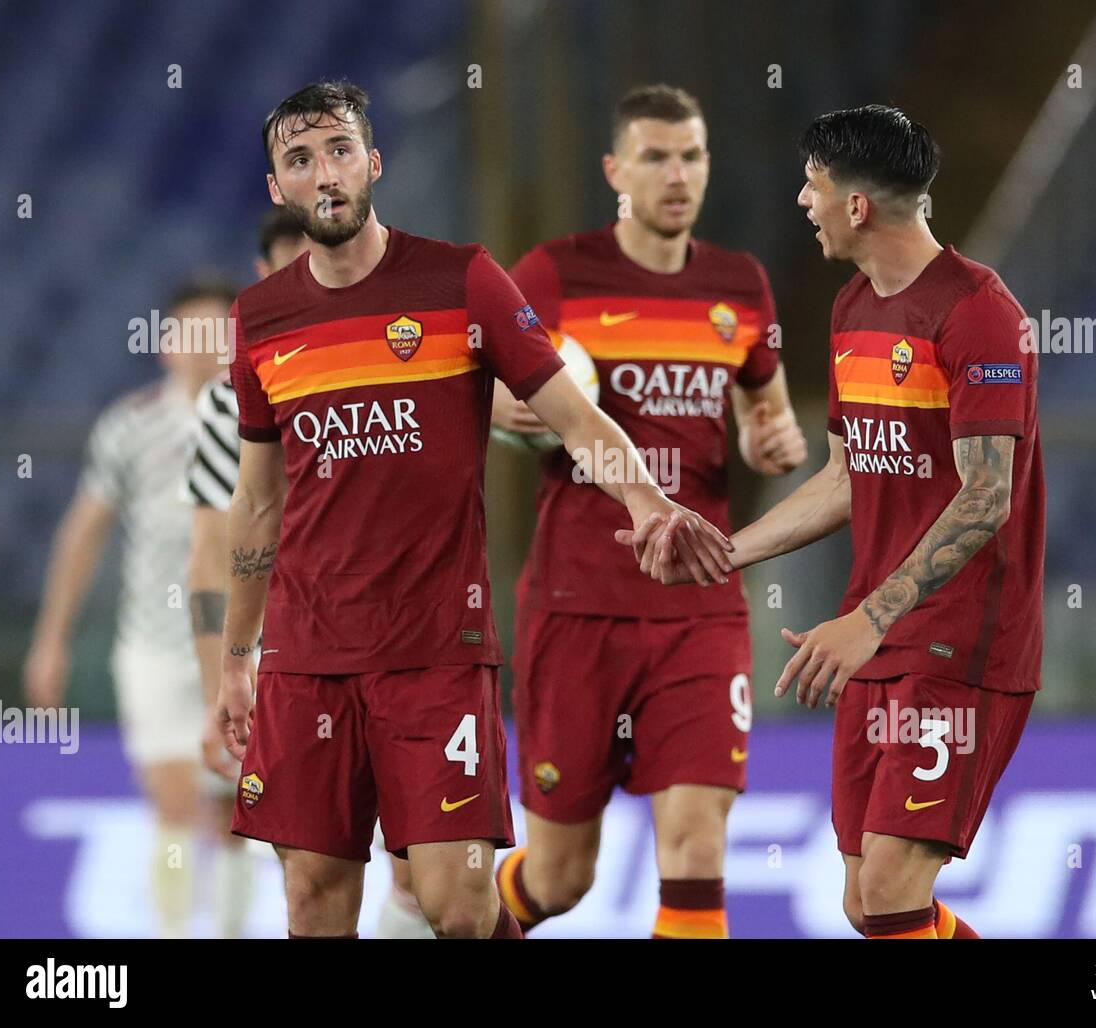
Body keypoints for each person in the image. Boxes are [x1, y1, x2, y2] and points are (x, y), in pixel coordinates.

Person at [215, 80, 732, 939]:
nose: (325, 174)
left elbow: (577, 418)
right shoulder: (260, 320)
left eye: (339, 151)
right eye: (298, 161)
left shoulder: (464, 282)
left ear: (373, 162)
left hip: (436, 656)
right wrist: (239, 655)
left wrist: (648, 502)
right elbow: (258, 502)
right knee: (313, 900)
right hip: (308, 655)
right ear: (278, 188)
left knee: (456, 905)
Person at [626, 105, 1045, 940]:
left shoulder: (980, 314)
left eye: (813, 185)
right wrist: (725, 552)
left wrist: (871, 617)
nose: (801, 201)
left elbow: (985, 495)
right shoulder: (853, 305)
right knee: (866, 903)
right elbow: (848, 474)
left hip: (960, 644)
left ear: (857, 206)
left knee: (890, 887)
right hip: (874, 637)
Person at [493, 84, 807, 939]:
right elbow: (484, 387)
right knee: (561, 879)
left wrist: (772, 444)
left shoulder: (740, 285)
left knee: (697, 850)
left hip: (699, 604)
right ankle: (444, 920)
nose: (678, 175)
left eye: (693, 155)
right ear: (615, 170)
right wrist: (501, 409)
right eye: (657, 156)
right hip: (577, 604)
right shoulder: (554, 275)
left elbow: (764, 414)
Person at [186, 205, 433, 938]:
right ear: (263, 280)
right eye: (289, 265)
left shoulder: (407, 365)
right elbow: (207, 556)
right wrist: (221, 687)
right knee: (311, 883)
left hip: (411, 648)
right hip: (294, 657)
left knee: (425, 875)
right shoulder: (228, 402)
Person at [24, 276, 238, 937]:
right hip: (152, 646)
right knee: (175, 807)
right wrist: (50, 640)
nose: (206, 346)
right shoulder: (131, 426)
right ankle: (173, 932)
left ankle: (230, 929)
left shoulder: (266, 425)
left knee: (236, 816)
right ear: (166, 346)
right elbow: (82, 534)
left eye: (219, 329)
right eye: (191, 331)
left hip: (241, 646)